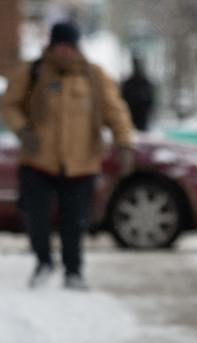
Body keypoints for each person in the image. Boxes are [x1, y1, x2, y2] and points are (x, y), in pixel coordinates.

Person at [1, 22, 135, 290]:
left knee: (75, 222)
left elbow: (115, 112)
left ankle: (73, 271)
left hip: (81, 163)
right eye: (60, 45)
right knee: (36, 218)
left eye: (70, 46)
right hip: (38, 161)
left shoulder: (94, 76)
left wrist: (124, 144)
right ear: (52, 45)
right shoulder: (33, 73)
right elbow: (10, 104)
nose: (65, 51)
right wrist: (23, 130)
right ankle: (43, 262)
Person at [121, 56, 155, 132]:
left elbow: (150, 100)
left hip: (142, 118)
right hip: (130, 117)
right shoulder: (128, 83)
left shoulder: (146, 83)